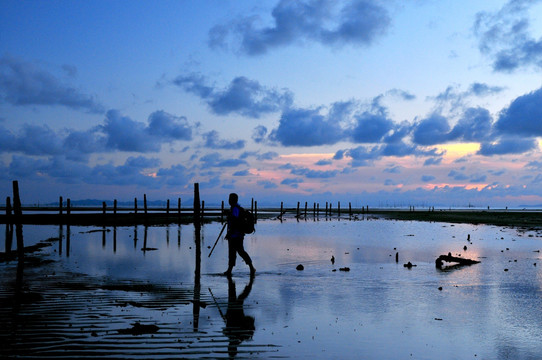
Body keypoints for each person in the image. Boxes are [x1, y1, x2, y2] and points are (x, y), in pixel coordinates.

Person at [223, 193, 256, 277]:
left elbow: (234, 222)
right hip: (235, 235)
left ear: (234, 200)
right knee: (232, 252)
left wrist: (229, 233)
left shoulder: (235, 209)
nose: (229, 201)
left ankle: (251, 267)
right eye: (229, 199)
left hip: (237, 235)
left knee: (240, 252)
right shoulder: (235, 209)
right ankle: (229, 270)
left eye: (231, 199)